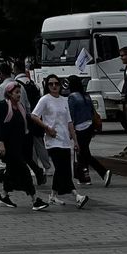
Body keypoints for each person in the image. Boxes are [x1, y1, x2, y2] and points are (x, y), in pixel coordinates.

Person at [31, 74, 87, 208]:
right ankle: (76, 195)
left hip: (64, 140)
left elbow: (69, 122)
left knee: (63, 168)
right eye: (51, 84)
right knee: (62, 168)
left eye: (56, 83)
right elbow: (34, 115)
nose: (54, 86)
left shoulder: (65, 100)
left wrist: (75, 141)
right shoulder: (45, 100)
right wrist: (46, 128)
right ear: (47, 86)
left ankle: (53, 195)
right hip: (52, 140)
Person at [0, 84, 49, 211]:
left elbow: (24, 127)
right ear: (9, 94)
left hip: (19, 145)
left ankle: (4, 195)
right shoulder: (3, 106)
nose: (19, 95)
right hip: (8, 147)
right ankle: (35, 199)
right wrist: (0, 142)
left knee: (11, 172)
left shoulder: (20, 108)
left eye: (19, 92)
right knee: (24, 172)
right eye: (16, 92)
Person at [66, 75, 111, 188]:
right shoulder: (86, 96)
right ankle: (84, 177)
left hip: (80, 128)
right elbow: (92, 111)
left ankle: (103, 171)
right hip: (89, 126)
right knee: (83, 153)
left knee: (84, 153)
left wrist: (70, 131)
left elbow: (71, 115)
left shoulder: (72, 97)